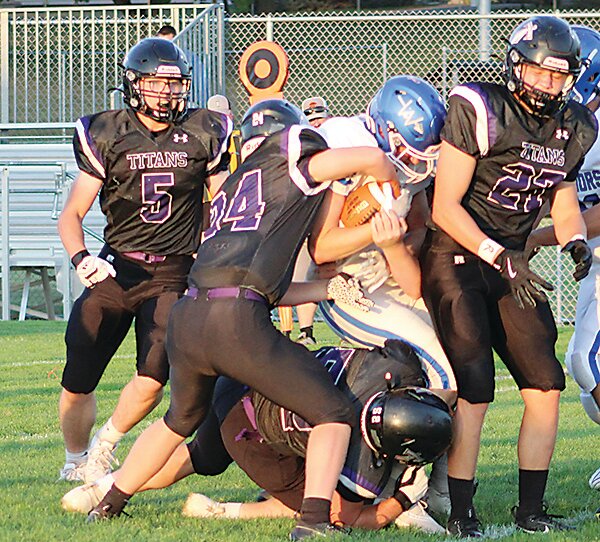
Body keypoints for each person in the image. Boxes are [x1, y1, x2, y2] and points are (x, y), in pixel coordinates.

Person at [85, 98, 400, 541]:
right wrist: (389, 187)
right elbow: (370, 157)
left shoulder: (232, 185)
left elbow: (255, 282)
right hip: (236, 323)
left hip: (191, 315)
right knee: (332, 411)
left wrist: (324, 288)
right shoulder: (290, 162)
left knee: (179, 420)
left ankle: (107, 505)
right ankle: (312, 522)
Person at [420, 16, 597, 537]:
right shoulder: (481, 108)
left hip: (511, 264)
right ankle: (460, 511)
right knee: (475, 386)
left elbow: (563, 201)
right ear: (516, 65)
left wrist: (576, 243)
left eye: (558, 76)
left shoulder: (576, 125)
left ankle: (531, 509)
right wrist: (498, 254)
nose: (548, 84)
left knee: (545, 383)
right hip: (456, 257)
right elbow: (445, 207)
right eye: (539, 72)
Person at [57, 37, 233, 484]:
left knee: (154, 377)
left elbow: (227, 201)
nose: (167, 93)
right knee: (78, 378)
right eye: (157, 83)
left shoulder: (202, 131)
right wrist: (81, 259)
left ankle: (105, 447)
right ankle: (74, 457)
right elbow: (72, 213)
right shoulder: (107, 132)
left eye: (175, 84)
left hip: (175, 270)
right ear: (133, 83)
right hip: (117, 266)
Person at [62, 340, 453, 535]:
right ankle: (219, 510)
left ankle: (101, 489)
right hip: (251, 429)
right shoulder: (359, 456)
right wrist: (402, 499)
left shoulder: (396, 367)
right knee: (316, 498)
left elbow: (399, 350)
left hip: (246, 378)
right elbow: (350, 517)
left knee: (204, 457)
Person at [308, 76, 456, 524]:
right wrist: (376, 232)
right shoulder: (349, 148)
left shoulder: (404, 173)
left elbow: (413, 259)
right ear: (388, 135)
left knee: (461, 359)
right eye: (415, 152)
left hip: (386, 276)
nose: (422, 164)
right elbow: (321, 248)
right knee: (441, 370)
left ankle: (443, 490)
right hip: (346, 285)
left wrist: (394, 244)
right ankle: (416, 494)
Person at [527, 25, 600, 496]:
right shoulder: (562, 128)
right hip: (594, 266)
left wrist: (540, 237)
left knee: (586, 362)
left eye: (560, 74)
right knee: (590, 396)